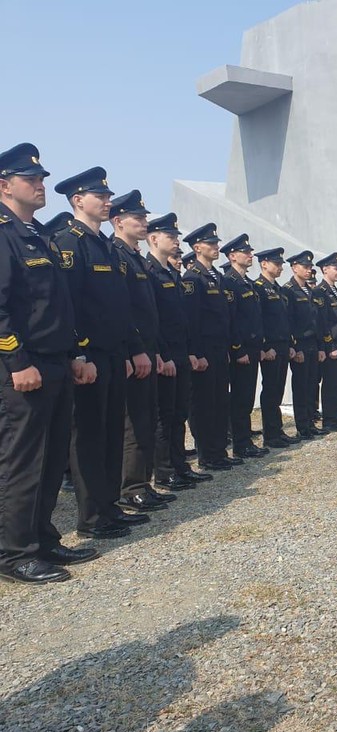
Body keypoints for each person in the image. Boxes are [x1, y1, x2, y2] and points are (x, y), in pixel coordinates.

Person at [0, 142, 99, 583]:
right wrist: (17, 360)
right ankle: (13, 552)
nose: (41, 185)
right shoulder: (3, 234)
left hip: (57, 362)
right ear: (5, 185)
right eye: (31, 179)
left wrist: (76, 352)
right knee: (22, 462)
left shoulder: (37, 233)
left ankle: (42, 538)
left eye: (41, 179)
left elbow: (59, 305)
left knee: (52, 454)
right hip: (25, 366)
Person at [53, 167, 149, 538]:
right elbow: (68, 305)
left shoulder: (105, 246)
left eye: (108, 196)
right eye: (100, 196)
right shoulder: (69, 242)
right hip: (90, 356)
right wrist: (79, 354)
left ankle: (109, 507)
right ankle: (91, 518)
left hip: (113, 355)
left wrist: (131, 350)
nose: (107, 200)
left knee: (110, 432)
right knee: (89, 436)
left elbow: (120, 307)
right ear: (79, 201)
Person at [109, 190, 168, 514]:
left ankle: (143, 482)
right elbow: (125, 311)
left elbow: (149, 314)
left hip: (147, 351)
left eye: (145, 218)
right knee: (133, 423)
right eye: (138, 218)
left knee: (146, 420)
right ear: (118, 221)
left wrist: (154, 350)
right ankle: (130, 487)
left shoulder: (136, 258)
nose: (144, 222)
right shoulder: (116, 254)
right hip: (133, 353)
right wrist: (135, 351)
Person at [145, 213, 210, 490]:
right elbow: (152, 319)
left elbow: (181, 319)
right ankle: (164, 471)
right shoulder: (148, 270)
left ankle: (180, 465)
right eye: (171, 237)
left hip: (180, 353)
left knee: (178, 413)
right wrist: (163, 354)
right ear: (154, 238)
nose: (176, 241)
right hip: (166, 355)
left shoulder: (171, 273)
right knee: (164, 416)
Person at [181, 223, 236, 471]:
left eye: (216, 243)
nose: (215, 247)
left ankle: (218, 450)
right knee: (203, 403)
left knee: (218, 401)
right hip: (204, 349)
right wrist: (196, 352)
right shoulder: (193, 278)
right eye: (210, 244)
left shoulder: (218, 278)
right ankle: (207, 454)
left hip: (219, 347)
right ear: (197, 247)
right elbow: (192, 320)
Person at [220, 234, 268, 459]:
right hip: (241, 350)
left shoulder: (246, 282)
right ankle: (240, 443)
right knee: (239, 398)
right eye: (245, 252)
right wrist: (238, 349)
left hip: (252, 348)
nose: (250, 255)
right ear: (232, 256)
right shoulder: (229, 281)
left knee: (247, 397)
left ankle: (245, 439)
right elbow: (231, 320)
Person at [253, 248, 299, 447]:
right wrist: (264, 346)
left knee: (278, 390)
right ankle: (270, 435)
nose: (281, 268)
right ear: (264, 264)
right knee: (270, 390)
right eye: (277, 264)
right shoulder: (259, 287)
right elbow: (258, 320)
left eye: (281, 264)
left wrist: (289, 344)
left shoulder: (279, 289)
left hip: (282, 345)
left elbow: (285, 320)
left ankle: (277, 430)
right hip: (270, 347)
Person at [283, 251, 325, 438]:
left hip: (312, 344)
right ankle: (302, 425)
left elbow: (317, 321)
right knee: (300, 387)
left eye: (310, 267)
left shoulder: (310, 291)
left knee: (311, 385)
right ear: (294, 268)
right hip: (300, 344)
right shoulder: (288, 290)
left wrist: (321, 347)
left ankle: (310, 421)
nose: (309, 270)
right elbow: (288, 321)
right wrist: (295, 347)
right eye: (305, 267)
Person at [314, 253, 337, 430]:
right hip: (332, 345)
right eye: (336, 269)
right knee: (331, 383)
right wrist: (330, 346)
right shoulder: (321, 292)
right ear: (325, 269)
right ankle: (329, 419)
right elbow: (323, 322)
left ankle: (336, 416)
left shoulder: (336, 292)